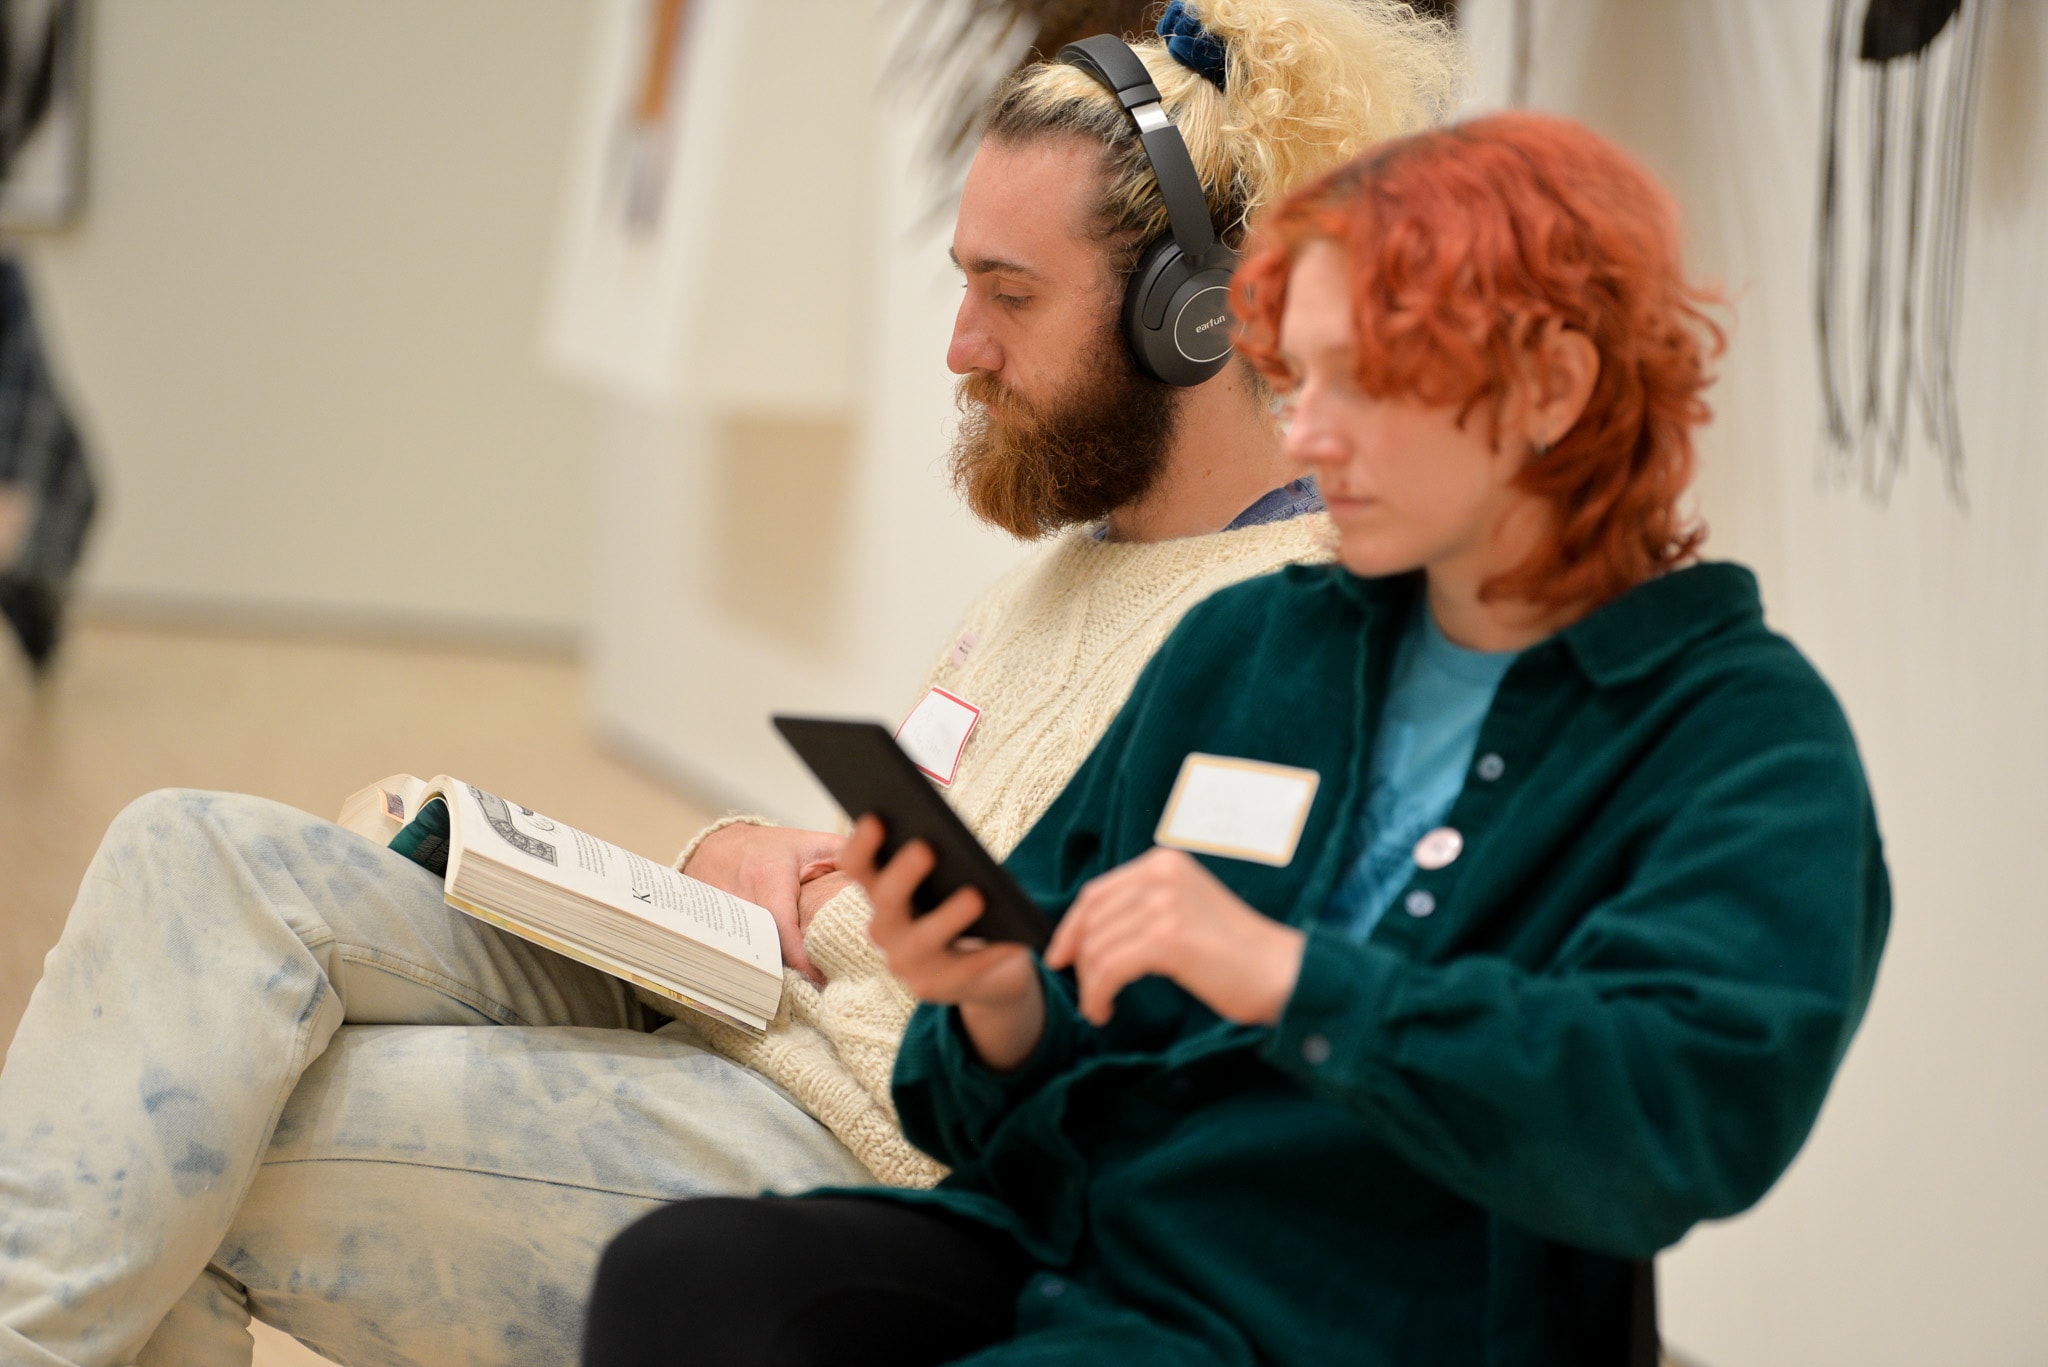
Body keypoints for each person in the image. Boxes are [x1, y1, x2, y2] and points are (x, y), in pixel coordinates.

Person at [0, 4, 1459, 1364]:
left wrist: (891, 927)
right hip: (736, 1004)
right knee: (184, 854)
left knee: (168, 1127)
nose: (962, 349)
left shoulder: (1300, 634)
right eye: (962, 287)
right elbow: (916, 860)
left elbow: (1140, 1063)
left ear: (1191, 322)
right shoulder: (1052, 581)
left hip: (847, 1147)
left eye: (1009, 297)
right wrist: (737, 856)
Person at [583, 111, 1891, 1367]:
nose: (1308, 434)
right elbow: (1005, 1086)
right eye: (1301, 376)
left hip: (1375, 1319)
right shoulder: (1256, 644)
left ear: (1551, 384)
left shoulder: (1739, 741)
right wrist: (992, 998)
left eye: (1367, 384)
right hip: (1100, 1251)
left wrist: (1285, 975)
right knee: (684, 1277)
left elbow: (1668, 1118)